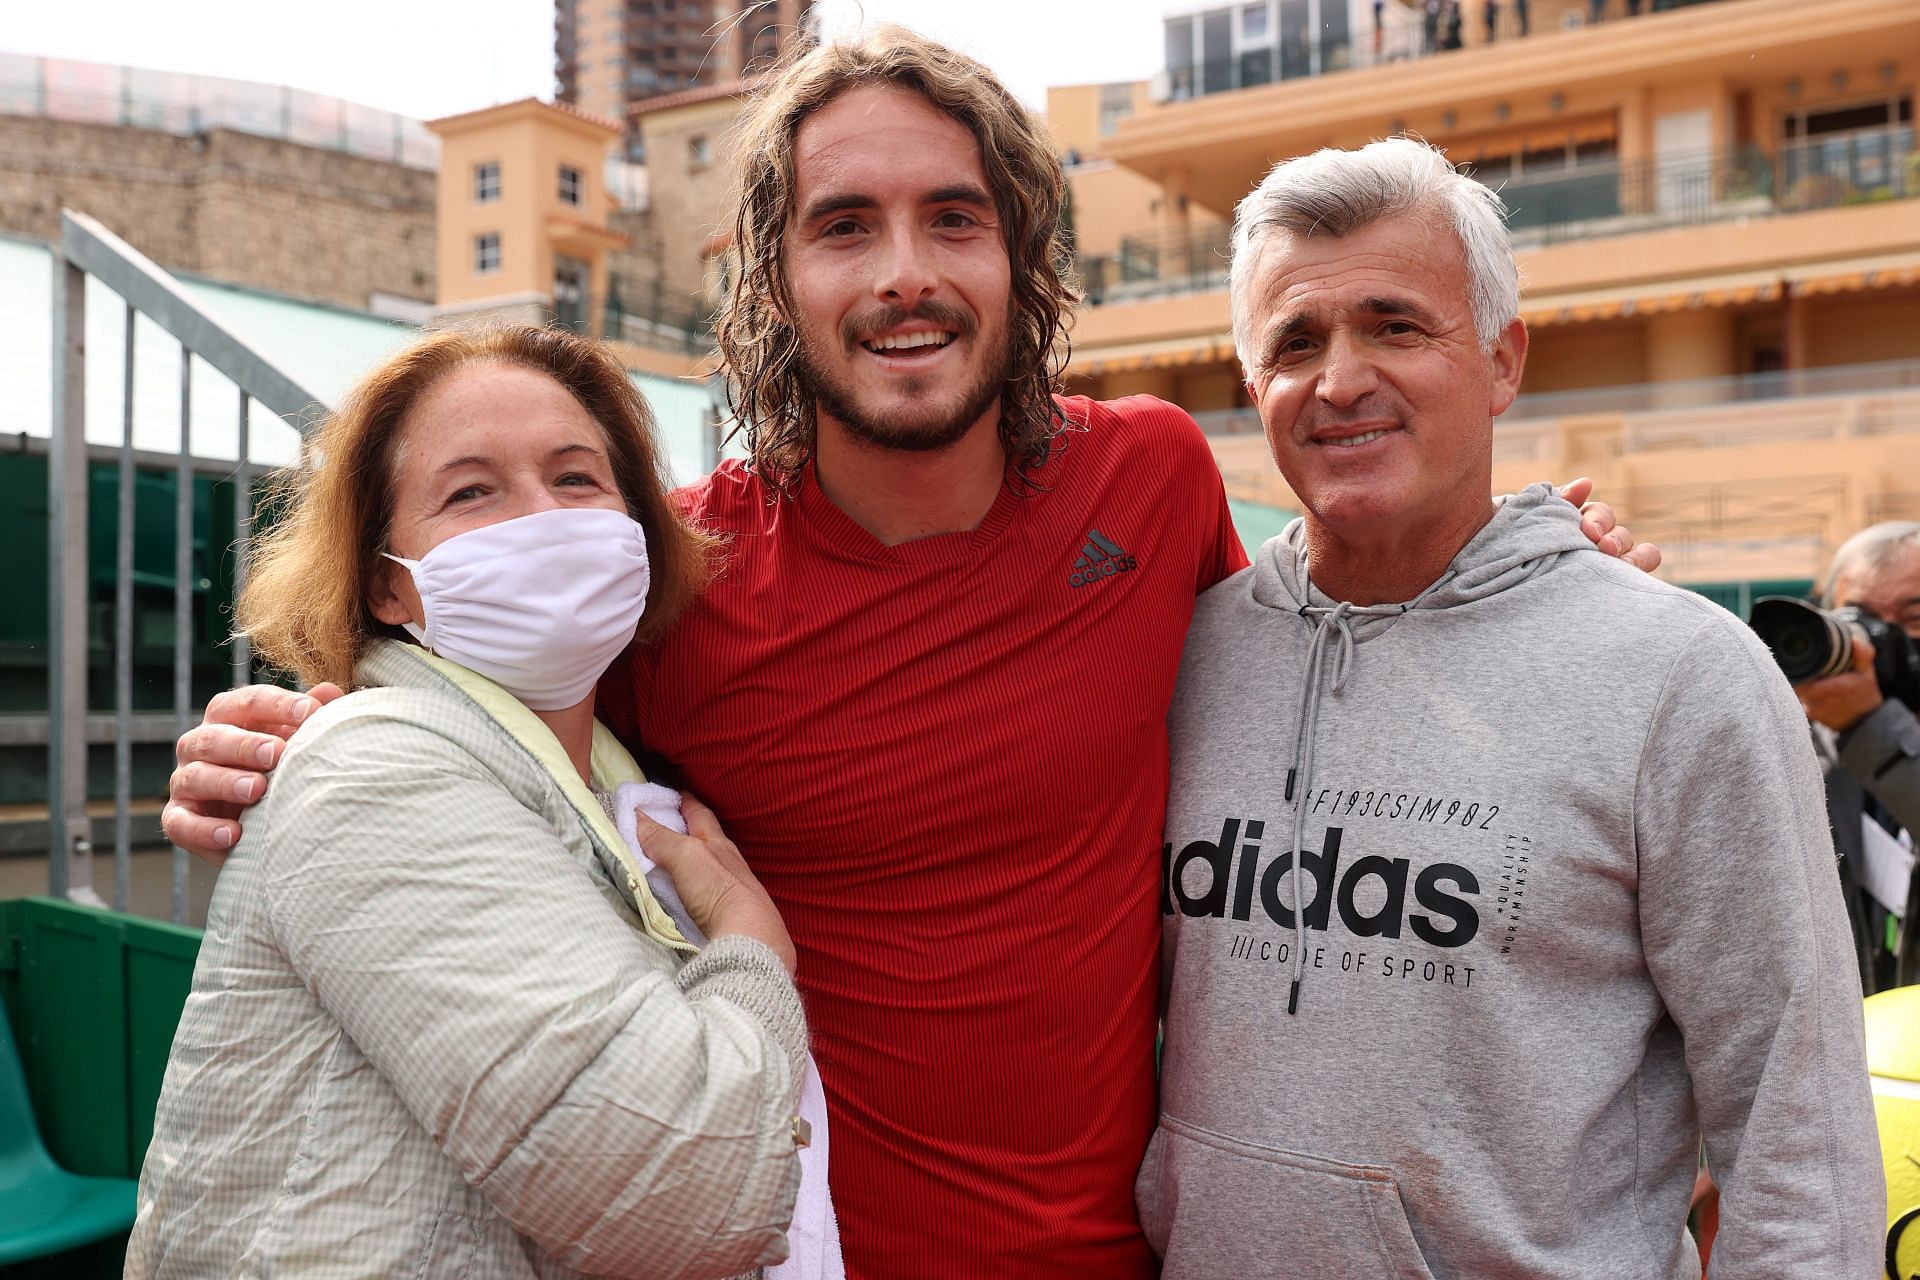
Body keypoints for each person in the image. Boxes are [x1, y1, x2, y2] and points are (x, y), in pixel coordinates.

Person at [159, 29, 1655, 1278]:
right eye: (844, 226)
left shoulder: (1151, 478)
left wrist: (1529, 576)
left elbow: (1331, 655)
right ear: (773, 277)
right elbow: (472, 736)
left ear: (1020, 261)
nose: (904, 275)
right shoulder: (668, 573)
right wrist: (289, 736)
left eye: (954, 218)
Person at [1141, 138, 1885, 1277]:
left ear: (1501, 360)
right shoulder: (1183, 655)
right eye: (1296, 341)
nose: (1340, 379)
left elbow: (1799, 1133)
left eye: (1395, 324)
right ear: (1254, 388)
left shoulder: (1682, 673)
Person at [127, 327, 811, 1279]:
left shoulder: (609, 786)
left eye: (577, 480)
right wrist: (749, 950)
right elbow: (681, 1199)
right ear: (386, 584)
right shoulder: (377, 771)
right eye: (471, 492)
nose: (540, 519)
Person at [1798, 522, 1920, 992]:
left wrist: (1869, 730)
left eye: (1912, 618)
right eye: (1857, 617)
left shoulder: (1860, 731)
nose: (1880, 641)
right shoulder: (1795, 744)